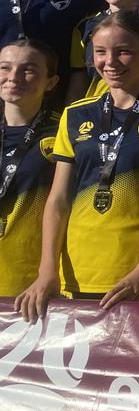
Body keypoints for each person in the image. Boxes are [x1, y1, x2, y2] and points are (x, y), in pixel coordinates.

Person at [15, 11, 139, 322]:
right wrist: (47, 272)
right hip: (78, 271)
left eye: (123, 51)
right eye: (100, 52)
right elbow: (58, 201)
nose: (110, 62)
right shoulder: (75, 115)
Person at [0, 40, 61, 297]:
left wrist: (48, 272)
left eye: (29, 69)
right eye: (5, 67)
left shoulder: (64, 133)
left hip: (29, 281)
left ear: (51, 82)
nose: (13, 77)